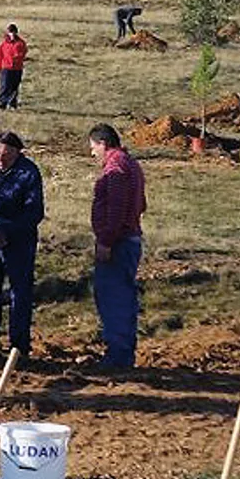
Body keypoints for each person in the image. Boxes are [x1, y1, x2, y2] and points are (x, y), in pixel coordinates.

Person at [0, 131, 45, 359]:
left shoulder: (28, 172)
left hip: (19, 240)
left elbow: (34, 212)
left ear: (16, 152)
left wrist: (8, 232)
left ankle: (19, 347)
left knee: (19, 294)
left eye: (4, 154)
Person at [89, 123, 146, 369]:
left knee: (114, 298)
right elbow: (141, 204)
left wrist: (106, 240)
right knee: (122, 296)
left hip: (119, 243)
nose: (92, 154)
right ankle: (122, 352)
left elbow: (116, 207)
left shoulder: (116, 167)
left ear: (102, 144)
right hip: (128, 239)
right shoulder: (131, 164)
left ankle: (118, 356)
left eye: (93, 148)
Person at [0, 23, 27, 110]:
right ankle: (2, 104)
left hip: (17, 68)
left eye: (13, 32)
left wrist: (15, 58)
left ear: (16, 32)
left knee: (14, 87)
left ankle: (12, 104)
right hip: (6, 67)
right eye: (10, 32)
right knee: (5, 86)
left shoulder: (21, 43)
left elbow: (22, 54)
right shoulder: (4, 44)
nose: (11, 34)